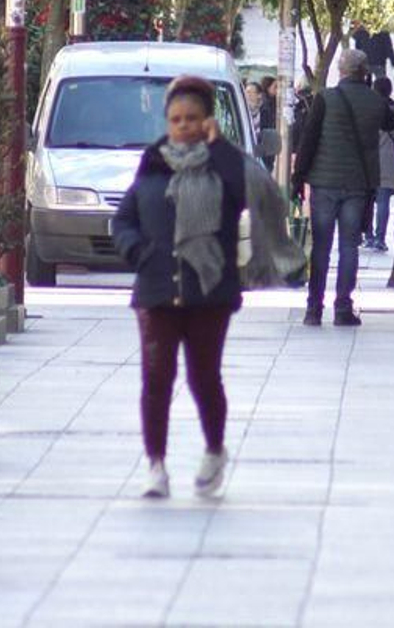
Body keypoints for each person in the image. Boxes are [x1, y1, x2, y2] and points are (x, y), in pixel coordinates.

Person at [111, 76, 247, 499]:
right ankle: (155, 464)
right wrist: (137, 252)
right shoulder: (153, 164)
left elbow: (241, 195)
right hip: (156, 291)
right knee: (156, 378)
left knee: (204, 377)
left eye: (192, 119)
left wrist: (219, 144)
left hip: (209, 292)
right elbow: (124, 218)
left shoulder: (224, 164)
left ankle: (213, 449)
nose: (183, 126)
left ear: (207, 120)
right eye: (175, 119)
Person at [292, 49, 394, 327]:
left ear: (340, 71)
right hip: (358, 184)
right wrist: (370, 88)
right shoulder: (375, 100)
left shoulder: (325, 98)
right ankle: (343, 308)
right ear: (365, 72)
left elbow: (309, 140)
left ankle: (313, 309)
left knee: (321, 248)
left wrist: (298, 178)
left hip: (324, 182)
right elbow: (392, 121)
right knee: (349, 246)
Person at [364, 76, 394, 252]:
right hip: (389, 159)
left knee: (366, 200)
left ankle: (368, 235)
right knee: (383, 201)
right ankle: (380, 238)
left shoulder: (367, 107)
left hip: (368, 159)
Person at [258, 76, 280, 174]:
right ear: (268, 88)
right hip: (266, 146)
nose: (278, 90)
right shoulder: (266, 105)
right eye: (275, 87)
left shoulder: (271, 103)